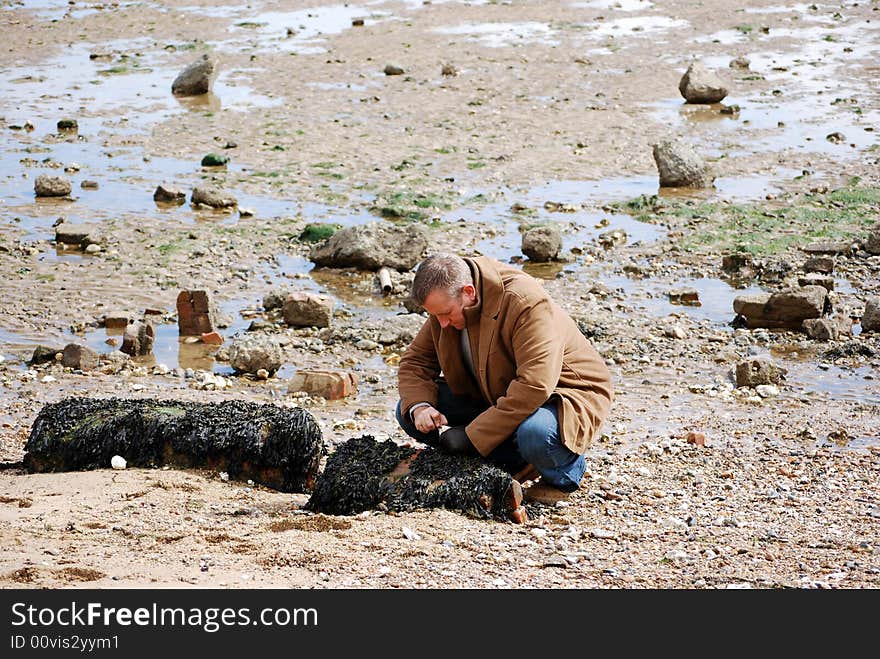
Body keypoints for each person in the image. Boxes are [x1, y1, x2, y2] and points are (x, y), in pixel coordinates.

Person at [396, 253, 614, 501]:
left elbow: (534, 386)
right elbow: (415, 362)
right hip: (494, 390)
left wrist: (471, 436)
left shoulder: (525, 302)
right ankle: (514, 461)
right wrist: (421, 407)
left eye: (446, 314)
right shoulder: (447, 305)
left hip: (561, 395)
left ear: (469, 292)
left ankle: (565, 473)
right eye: (435, 316)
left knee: (536, 434)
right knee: (406, 411)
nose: (442, 324)